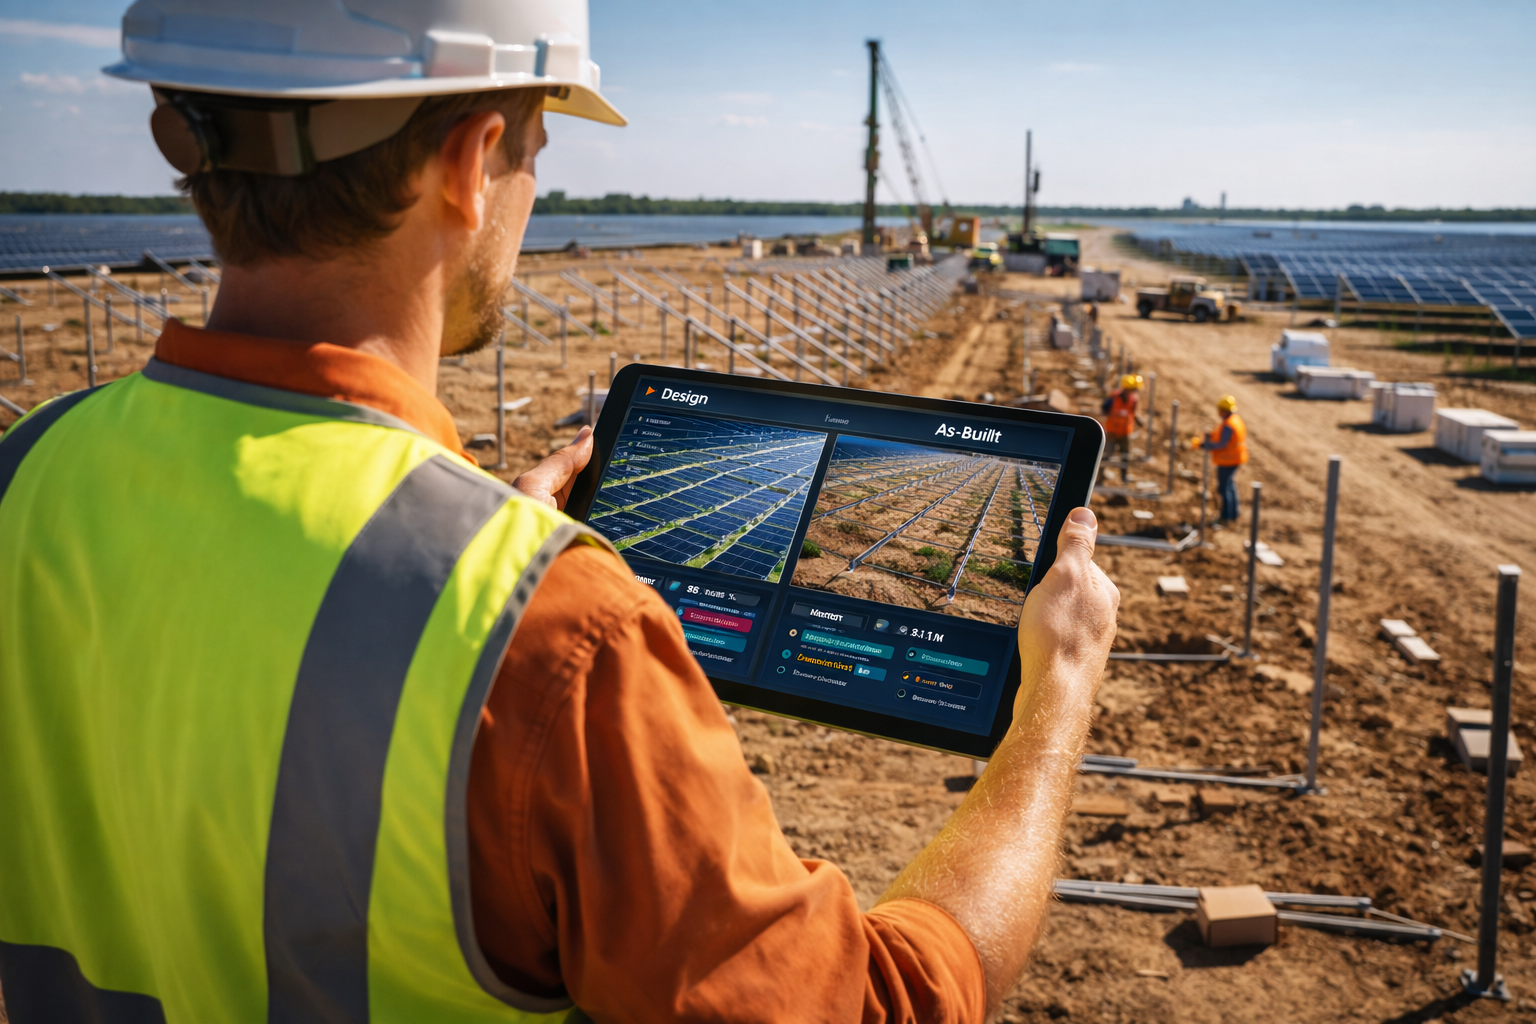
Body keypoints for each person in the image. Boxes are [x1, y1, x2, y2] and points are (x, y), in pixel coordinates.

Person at [0, 2, 1120, 1020]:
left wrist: (475, 549)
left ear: (182, 134)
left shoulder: (28, 475)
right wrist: (1056, 698)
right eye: (541, 142)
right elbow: (875, 1006)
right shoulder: (555, 639)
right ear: (471, 163)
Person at [1194, 394, 1249, 524]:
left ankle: (1226, 516)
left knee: (1224, 488)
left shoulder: (1228, 425)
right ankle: (1234, 513)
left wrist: (1204, 445)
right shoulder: (1235, 419)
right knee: (1230, 485)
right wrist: (1212, 436)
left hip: (1228, 459)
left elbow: (1223, 444)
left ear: (1223, 410)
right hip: (1235, 458)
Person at [1100, 373, 1143, 482]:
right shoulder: (1114, 397)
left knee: (1125, 455)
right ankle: (1100, 476)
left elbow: (1134, 412)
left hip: (1125, 432)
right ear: (1127, 389)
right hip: (1112, 432)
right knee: (1106, 454)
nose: (1134, 392)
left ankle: (1124, 477)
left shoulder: (1134, 400)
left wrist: (1139, 420)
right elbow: (1104, 409)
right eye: (1133, 390)